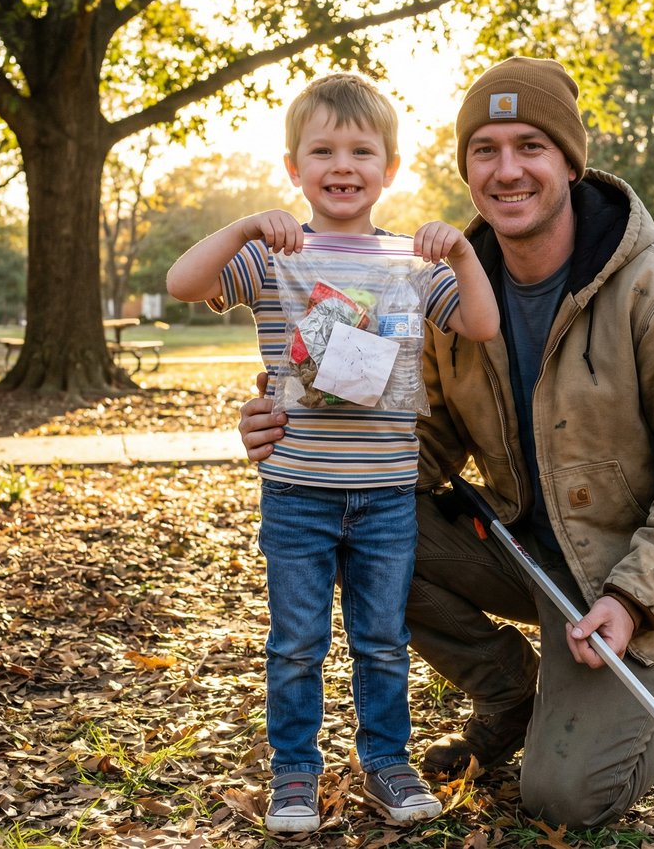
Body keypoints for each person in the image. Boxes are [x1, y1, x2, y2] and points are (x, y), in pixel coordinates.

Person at [237, 56, 654, 827]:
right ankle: (511, 688)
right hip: (527, 558)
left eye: (530, 146)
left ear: (569, 160)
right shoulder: (451, 289)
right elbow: (425, 442)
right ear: (467, 169)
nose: (507, 169)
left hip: (631, 579)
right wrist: (304, 423)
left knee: (565, 796)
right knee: (357, 525)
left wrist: (633, 597)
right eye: (486, 149)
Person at [165, 72, 500, 833]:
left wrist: (462, 254)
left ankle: (387, 760)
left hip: (386, 494)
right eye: (322, 150)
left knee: (383, 640)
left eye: (361, 150)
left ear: (390, 168)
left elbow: (479, 324)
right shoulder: (276, 254)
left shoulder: (408, 264)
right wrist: (246, 227)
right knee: (296, 642)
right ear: (293, 168)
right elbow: (184, 281)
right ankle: (294, 772)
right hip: (297, 492)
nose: (342, 164)